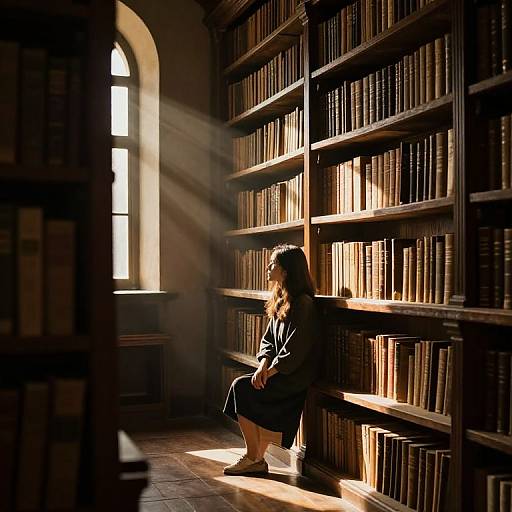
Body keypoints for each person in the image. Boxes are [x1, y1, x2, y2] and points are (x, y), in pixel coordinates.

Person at [222, 243, 320, 476]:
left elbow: (294, 351)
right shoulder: (280, 299)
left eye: (273, 263)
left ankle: (252, 458)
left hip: (293, 375)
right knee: (246, 388)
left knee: (241, 387)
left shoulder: (304, 304)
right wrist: (263, 364)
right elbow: (268, 341)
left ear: (286, 271)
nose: (268, 266)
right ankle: (255, 458)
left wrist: (269, 372)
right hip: (277, 369)